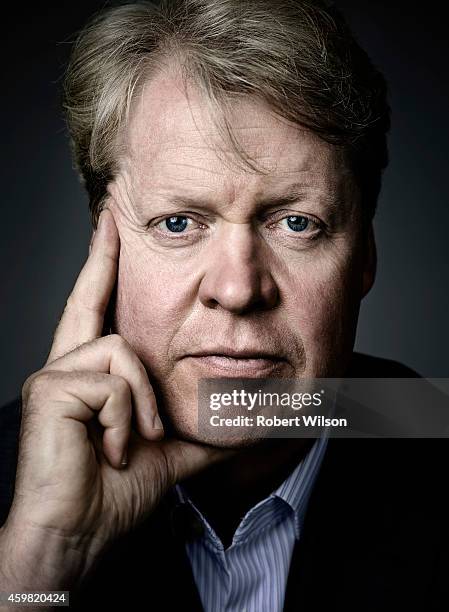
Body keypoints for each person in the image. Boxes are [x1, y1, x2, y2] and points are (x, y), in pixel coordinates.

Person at [0, 1, 447, 610]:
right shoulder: (18, 493)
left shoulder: (431, 437)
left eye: (297, 223)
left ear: (364, 257)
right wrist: (41, 567)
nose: (238, 291)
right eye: (179, 222)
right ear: (102, 246)